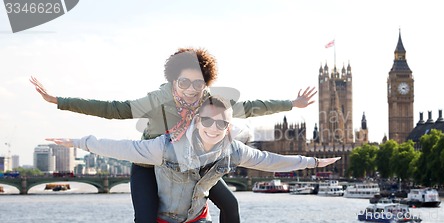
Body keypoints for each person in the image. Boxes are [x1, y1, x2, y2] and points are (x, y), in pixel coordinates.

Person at [30, 47, 317, 223]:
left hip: (191, 166)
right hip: (150, 164)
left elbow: (251, 107)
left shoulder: (210, 99)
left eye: (199, 83)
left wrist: (293, 104)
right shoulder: (158, 99)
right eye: (184, 82)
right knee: (145, 218)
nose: (192, 89)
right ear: (172, 80)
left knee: (231, 205)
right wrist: (59, 100)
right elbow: (112, 109)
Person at [47, 95, 341, 223]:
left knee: (231, 204)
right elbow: (121, 147)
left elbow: (269, 160)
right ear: (196, 121)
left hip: (196, 217)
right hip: (164, 215)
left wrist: (312, 162)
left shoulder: (232, 149)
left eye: (221, 124)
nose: (214, 129)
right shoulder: (164, 147)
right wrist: (78, 142)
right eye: (208, 122)